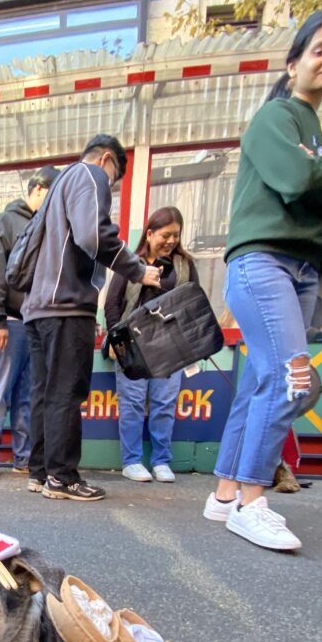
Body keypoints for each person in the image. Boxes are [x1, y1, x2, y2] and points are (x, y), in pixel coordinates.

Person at [204, 8, 322, 551]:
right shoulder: (276, 119)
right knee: (290, 378)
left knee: (260, 382)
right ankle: (252, 499)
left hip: (305, 270)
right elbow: (296, 179)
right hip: (262, 262)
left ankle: (224, 494)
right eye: (320, 48)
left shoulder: (321, 141)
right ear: (294, 63)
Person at [20, 135, 161, 501]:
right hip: (66, 304)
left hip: (38, 307)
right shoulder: (90, 174)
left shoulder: (56, 189)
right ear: (107, 160)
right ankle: (63, 477)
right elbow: (92, 235)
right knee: (67, 391)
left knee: (45, 392)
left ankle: (40, 471)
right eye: (114, 177)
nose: (110, 185)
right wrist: (137, 270)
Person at [104, 206, 200, 483]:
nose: (170, 241)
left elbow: (193, 303)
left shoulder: (185, 265)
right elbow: (112, 304)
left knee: (164, 403)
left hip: (171, 345)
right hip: (134, 344)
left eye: (176, 235)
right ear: (149, 233)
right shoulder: (131, 263)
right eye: (165, 235)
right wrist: (115, 339)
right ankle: (131, 461)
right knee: (132, 403)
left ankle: (161, 461)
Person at [0, 166, 59, 481]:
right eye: (52, 195)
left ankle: (24, 457)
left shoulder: (45, 225)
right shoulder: (5, 223)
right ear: (37, 189)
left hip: (33, 323)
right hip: (7, 323)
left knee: (26, 396)